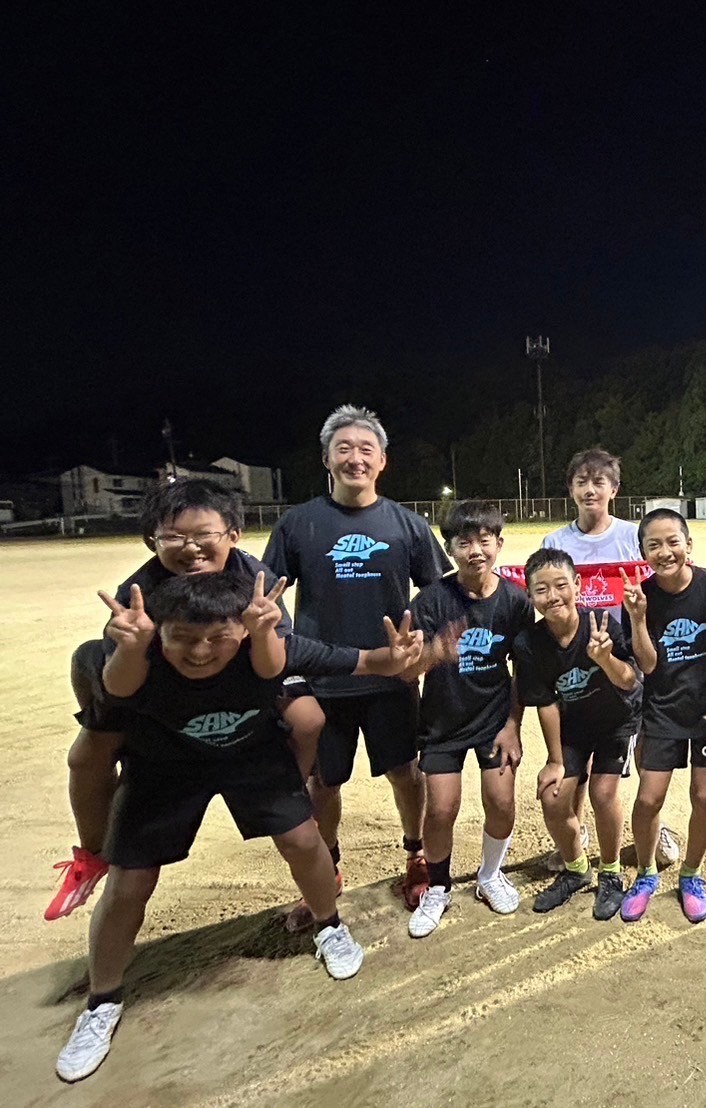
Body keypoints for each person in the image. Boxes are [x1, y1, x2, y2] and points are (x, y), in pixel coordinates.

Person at [54, 572, 421, 1084]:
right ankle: (102, 1001)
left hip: (252, 756)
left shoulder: (266, 648)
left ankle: (330, 925)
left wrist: (397, 659)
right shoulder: (138, 658)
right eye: (183, 637)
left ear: (243, 631)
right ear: (160, 633)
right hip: (163, 766)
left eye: (217, 637)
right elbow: (115, 689)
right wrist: (133, 648)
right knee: (130, 882)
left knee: (303, 839)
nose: (200, 651)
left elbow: (360, 661)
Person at [48, 478, 320, 922]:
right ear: (151, 540)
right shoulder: (140, 590)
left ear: (232, 535)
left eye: (204, 535)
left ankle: (292, 799)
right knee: (86, 757)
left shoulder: (254, 579)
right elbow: (122, 674)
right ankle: (92, 855)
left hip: (241, 676)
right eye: (174, 537)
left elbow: (274, 657)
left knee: (308, 719)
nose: (191, 548)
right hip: (157, 686)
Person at [263, 405, 451, 929]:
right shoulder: (298, 524)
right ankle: (327, 869)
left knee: (405, 772)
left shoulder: (407, 525)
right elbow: (268, 598)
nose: (355, 458)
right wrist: (289, 659)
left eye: (366, 449)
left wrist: (422, 648)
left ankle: (415, 855)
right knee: (323, 783)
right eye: (343, 448)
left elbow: (438, 594)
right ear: (326, 459)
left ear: (382, 460)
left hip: (391, 678)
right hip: (324, 681)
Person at [539, 448, 681, 871]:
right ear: (570, 489)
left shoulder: (632, 537)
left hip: (630, 657)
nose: (590, 490)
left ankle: (654, 825)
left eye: (599, 482)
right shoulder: (556, 543)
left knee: (643, 749)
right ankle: (579, 829)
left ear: (614, 489)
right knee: (580, 749)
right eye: (581, 482)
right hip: (578, 662)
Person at [403, 502, 536, 938]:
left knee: (501, 802)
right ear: (450, 549)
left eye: (484, 540)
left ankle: (489, 875)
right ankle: (438, 887)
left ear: (499, 543)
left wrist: (513, 725)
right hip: (442, 723)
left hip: (494, 720)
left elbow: (522, 670)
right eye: (464, 542)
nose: (475, 550)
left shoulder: (516, 601)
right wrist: (435, 653)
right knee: (441, 809)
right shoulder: (431, 600)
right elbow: (407, 671)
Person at [617, 509, 706, 924]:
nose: (665, 551)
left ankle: (691, 874)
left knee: (704, 797)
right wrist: (637, 618)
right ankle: (646, 873)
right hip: (662, 710)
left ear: (689, 544)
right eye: (654, 545)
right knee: (648, 798)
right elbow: (648, 665)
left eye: (673, 542)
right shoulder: (640, 596)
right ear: (643, 552)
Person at [514, 549, 643, 920]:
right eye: (541, 590)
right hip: (574, 728)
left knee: (603, 794)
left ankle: (611, 872)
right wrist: (555, 760)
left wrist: (605, 659)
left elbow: (630, 680)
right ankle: (576, 869)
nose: (553, 596)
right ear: (530, 595)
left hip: (616, 721)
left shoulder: (602, 623)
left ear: (577, 585)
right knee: (553, 798)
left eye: (560, 586)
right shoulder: (529, 643)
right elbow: (545, 703)